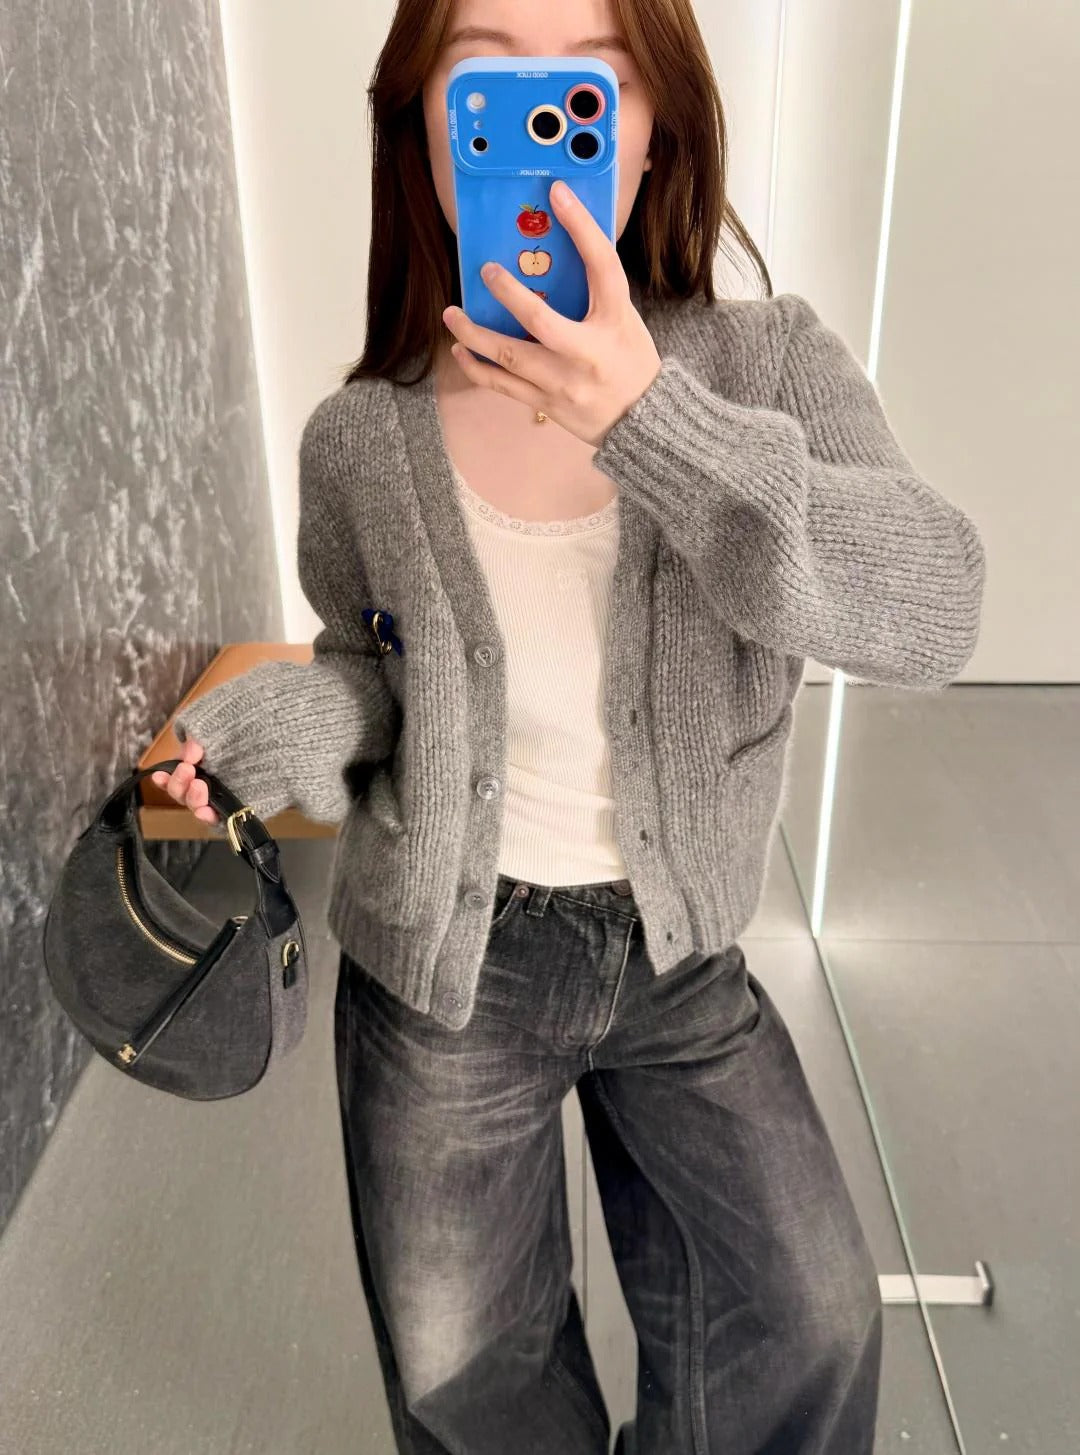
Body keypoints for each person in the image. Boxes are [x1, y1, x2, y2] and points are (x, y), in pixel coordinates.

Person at [159, 1, 986, 1451]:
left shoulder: (765, 364)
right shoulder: (362, 437)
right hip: (445, 968)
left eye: (588, 84)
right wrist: (282, 721)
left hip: (680, 955)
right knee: (463, 1364)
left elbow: (936, 604)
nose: (539, 120)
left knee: (808, 1317)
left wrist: (654, 422)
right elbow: (377, 674)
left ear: (654, 126)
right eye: (487, 75)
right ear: (423, 124)